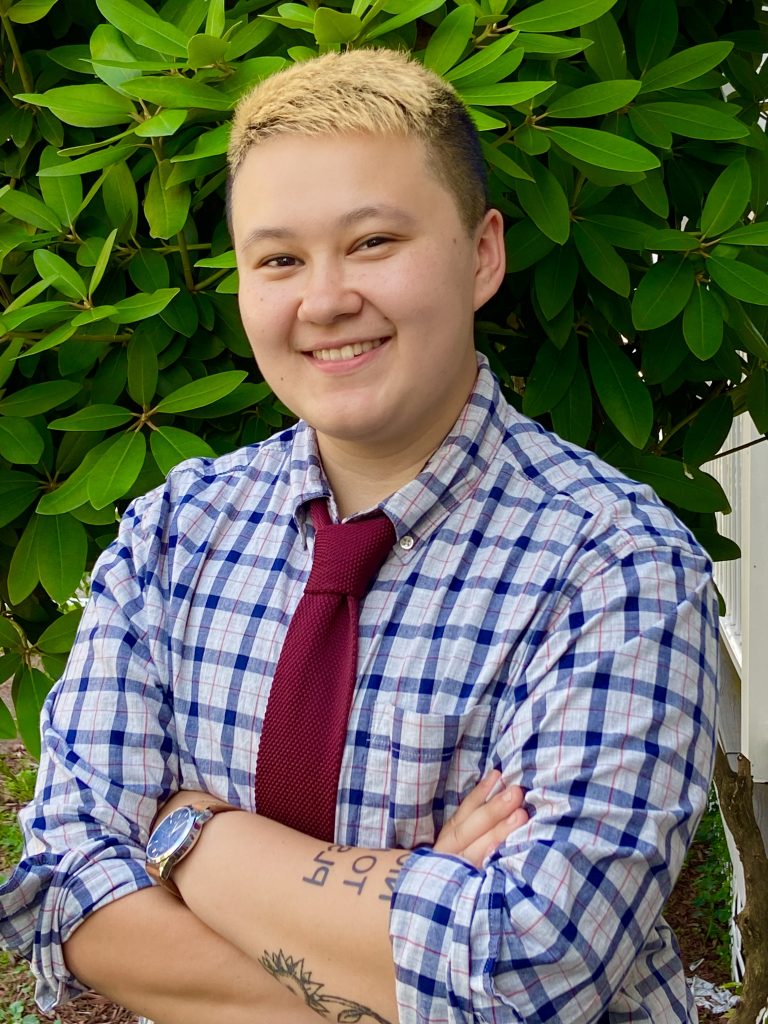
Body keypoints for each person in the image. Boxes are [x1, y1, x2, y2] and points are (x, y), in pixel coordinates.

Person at [0, 48, 718, 1024]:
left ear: (482, 254)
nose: (325, 297)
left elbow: (529, 974)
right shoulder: (176, 534)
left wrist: (196, 841)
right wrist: (417, 934)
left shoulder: (618, 568)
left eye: (374, 240)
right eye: (280, 258)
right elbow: (61, 895)